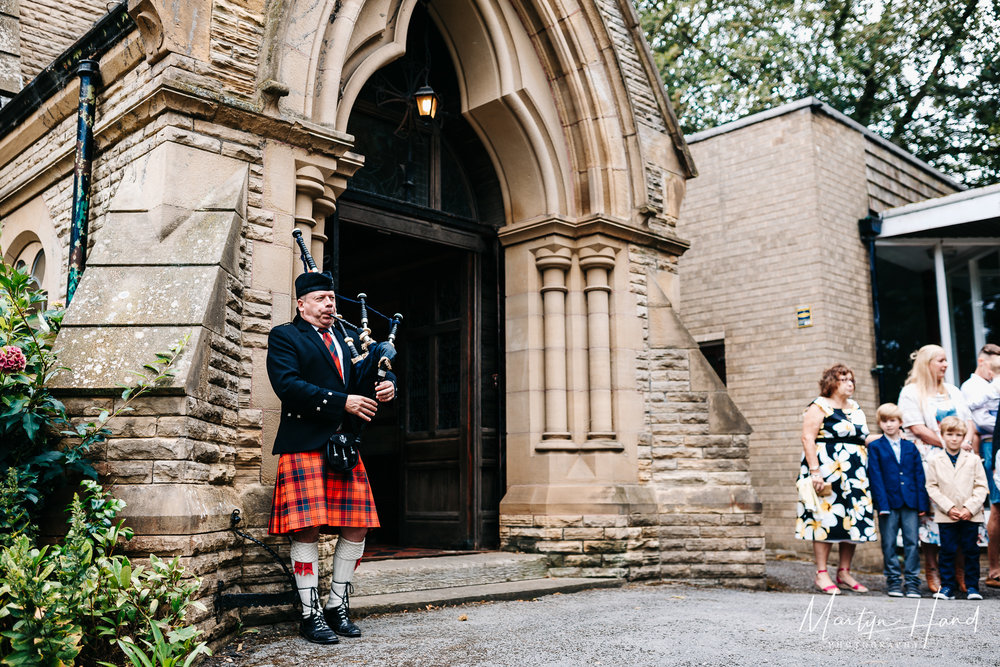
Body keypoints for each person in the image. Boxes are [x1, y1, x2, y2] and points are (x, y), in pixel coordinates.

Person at [266, 271, 396, 644]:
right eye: (321, 298)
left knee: (357, 525)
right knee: (306, 527)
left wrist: (387, 386)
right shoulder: (286, 336)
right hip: (304, 443)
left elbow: (372, 375)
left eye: (332, 299)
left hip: (343, 445)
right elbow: (287, 385)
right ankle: (309, 614)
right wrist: (343, 402)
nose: (329, 305)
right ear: (301, 304)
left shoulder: (348, 338)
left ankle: (336, 605)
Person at [897, 344, 976, 593]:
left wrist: (966, 443)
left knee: (961, 511)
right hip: (930, 459)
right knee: (934, 515)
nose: (945, 365)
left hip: (961, 457)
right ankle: (933, 569)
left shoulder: (953, 391)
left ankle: (959, 571)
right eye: (940, 360)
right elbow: (917, 427)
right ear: (927, 363)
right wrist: (948, 444)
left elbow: (969, 421)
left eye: (946, 360)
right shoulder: (911, 392)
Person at [796, 364, 876, 595]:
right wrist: (815, 472)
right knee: (826, 519)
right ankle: (822, 574)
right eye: (844, 379)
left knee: (852, 519)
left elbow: (863, 437)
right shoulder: (819, 405)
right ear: (831, 382)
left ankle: (844, 572)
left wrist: (892, 436)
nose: (849, 383)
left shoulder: (856, 407)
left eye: (851, 379)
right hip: (827, 470)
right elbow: (807, 438)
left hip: (855, 473)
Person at [867, 403, 929, 598]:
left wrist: (922, 504)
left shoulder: (910, 447)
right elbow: (875, 477)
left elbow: (919, 476)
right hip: (888, 504)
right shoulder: (876, 447)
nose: (889, 425)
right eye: (884, 421)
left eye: (892, 420)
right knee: (889, 543)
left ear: (900, 422)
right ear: (880, 423)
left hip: (910, 502)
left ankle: (912, 583)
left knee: (911, 543)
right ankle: (893, 581)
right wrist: (882, 505)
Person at [925, 416, 988, 600]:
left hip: (971, 515)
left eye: (958, 435)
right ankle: (947, 587)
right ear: (942, 435)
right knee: (947, 551)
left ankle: (972, 587)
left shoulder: (973, 460)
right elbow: (932, 487)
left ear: (963, 437)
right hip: (947, 515)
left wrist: (970, 508)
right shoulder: (935, 460)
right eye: (950, 434)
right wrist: (948, 507)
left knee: (971, 550)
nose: (954, 438)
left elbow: (981, 486)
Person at [959, 342, 1000, 589]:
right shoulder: (970, 386)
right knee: (996, 505)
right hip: (988, 444)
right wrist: (995, 385)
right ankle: (994, 568)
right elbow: (972, 412)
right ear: (983, 361)